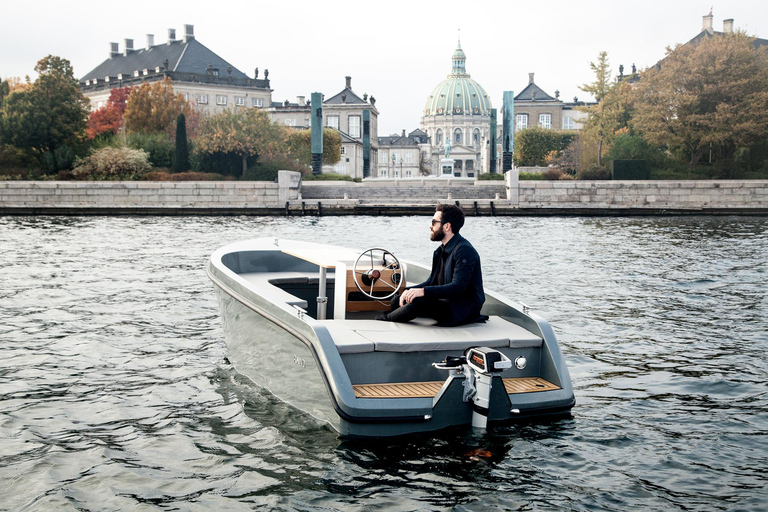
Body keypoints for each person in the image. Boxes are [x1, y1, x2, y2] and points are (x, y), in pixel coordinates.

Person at [377, 204, 485, 326]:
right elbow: (432, 282)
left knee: (419, 302)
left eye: (434, 222)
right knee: (397, 300)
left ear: (447, 226)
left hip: (461, 308)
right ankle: (392, 314)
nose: (430, 226)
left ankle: (383, 320)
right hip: (446, 302)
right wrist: (409, 291)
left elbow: (458, 288)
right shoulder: (440, 251)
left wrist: (422, 292)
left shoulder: (464, 250)